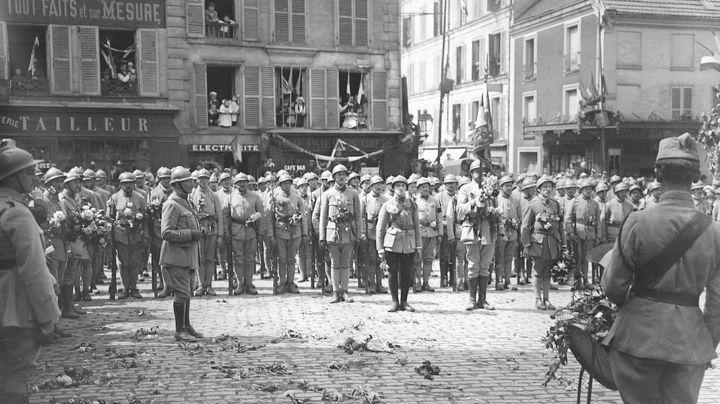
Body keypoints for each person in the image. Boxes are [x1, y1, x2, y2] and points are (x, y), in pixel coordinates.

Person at [602, 133, 720, 404]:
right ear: (695, 177)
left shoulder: (637, 222)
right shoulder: (715, 233)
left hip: (637, 338)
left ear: (658, 174)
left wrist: (629, 308)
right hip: (690, 343)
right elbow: (717, 305)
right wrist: (705, 344)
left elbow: (612, 286)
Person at [0, 139, 60, 403]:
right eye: (27, 172)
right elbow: (34, 270)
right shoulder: (18, 214)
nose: (33, 177)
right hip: (16, 307)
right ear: (12, 178)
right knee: (17, 374)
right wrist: (47, 316)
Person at [160, 167, 205, 342]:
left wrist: (197, 230)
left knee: (187, 293)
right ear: (177, 185)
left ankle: (186, 325)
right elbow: (166, 233)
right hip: (176, 256)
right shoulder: (171, 204)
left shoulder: (187, 202)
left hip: (188, 256)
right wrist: (191, 234)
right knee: (181, 293)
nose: (191, 184)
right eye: (187, 181)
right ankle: (179, 330)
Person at [456, 160, 498, 311]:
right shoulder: (465, 189)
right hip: (472, 228)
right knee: (473, 265)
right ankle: (472, 299)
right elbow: (459, 209)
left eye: (484, 172)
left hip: (487, 228)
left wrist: (492, 210)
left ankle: (483, 299)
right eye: (477, 171)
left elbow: (496, 208)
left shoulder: (492, 189)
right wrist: (474, 202)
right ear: (471, 173)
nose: (480, 175)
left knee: (485, 266)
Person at [376, 175, 421, 312]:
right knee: (392, 272)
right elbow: (380, 227)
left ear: (406, 188)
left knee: (406, 272)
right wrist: (380, 248)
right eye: (397, 186)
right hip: (393, 242)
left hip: (408, 242)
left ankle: (405, 301)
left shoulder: (412, 204)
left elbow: (417, 226)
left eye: (403, 186)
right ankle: (395, 301)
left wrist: (418, 246)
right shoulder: (387, 205)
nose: (400, 188)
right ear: (393, 188)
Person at [319, 164, 363, 303]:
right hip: (332, 233)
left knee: (346, 264)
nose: (342, 177)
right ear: (334, 177)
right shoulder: (327, 194)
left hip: (348, 233)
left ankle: (345, 291)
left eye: (344, 174)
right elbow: (323, 217)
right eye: (338, 175)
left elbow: (358, 216)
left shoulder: (353, 194)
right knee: (334, 263)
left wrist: (358, 235)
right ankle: (335, 292)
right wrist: (322, 236)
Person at [521, 175, 563, 310]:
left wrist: (563, 243)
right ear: (538, 189)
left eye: (550, 186)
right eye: (545, 187)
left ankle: (546, 299)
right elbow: (525, 227)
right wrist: (526, 245)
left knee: (547, 272)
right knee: (538, 271)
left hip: (551, 242)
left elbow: (559, 225)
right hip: (538, 242)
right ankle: (537, 299)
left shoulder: (555, 204)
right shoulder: (533, 204)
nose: (548, 189)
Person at [107, 172, 149, 299]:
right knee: (123, 262)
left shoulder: (140, 197)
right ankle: (125, 287)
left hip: (136, 234)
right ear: (120, 184)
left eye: (130, 183)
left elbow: (146, 218)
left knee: (135, 262)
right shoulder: (114, 198)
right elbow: (109, 218)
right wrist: (110, 235)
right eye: (125, 183)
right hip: (120, 234)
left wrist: (146, 235)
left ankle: (134, 287)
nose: (128, 186)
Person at [223, 173, 265, 295]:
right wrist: (226, 231)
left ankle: (249, 283)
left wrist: (261, 232)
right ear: (235, 184)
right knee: (238, 259)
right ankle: (239, 283)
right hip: (236, 232)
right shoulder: (230, 198)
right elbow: (225, 216)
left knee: (250, 259)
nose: (242, 184)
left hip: (251, 231)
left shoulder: (255, 197)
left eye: (244, 182)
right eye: (239, 182)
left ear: (248, 183)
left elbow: (261, 214)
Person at [269, 173, 306, 294]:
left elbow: (303, 216)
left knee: (291, 259)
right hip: (280, 231)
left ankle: (290, 282)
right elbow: (269, 216)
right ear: (280, 184)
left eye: (288, 182)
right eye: (284, 183)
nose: (286, 185)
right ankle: (281, 282)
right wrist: (270, 234)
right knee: (282, 259)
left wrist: (304, 233)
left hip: (295, 232)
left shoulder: (297, 197)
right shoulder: (274, 196)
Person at [189, 169, 224, 296]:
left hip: (211, 229)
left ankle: (209, 285)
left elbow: (219, 215)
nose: (203, 181)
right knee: (199, 258)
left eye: (205, 178)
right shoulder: (192, 194)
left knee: (210, 258)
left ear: (209, 180)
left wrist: (220, 235)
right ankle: (200, 285)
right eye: (200, 178)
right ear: (196, 180)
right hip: (198, 229)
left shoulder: (214, 195)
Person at [564, 178, 600, 287]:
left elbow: (598, 221)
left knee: (586, 258)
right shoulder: (574, 202)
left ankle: (585, 280)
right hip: (577, 233)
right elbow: (568, 219)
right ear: (581, 190)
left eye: (590, 189)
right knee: (577, 258)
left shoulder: (595, 204)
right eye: (586, 189)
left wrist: (598, 236)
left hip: (590, 233)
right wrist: (570, 232)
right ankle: (577, 280)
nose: (588, 191)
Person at [359, 175, 388, 294]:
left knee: (380, 259)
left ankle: (379, 283)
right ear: (371, 186)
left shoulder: (385, 200)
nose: (378, 187)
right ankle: (371, 283)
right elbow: (360, 217)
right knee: (370, 259)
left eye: (380, 184)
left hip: (382, 232)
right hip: (369, 230)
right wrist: (362, 233)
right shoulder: (365, 199)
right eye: (375, 184)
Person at [414, 177, 442, 292]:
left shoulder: (434, 200)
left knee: (429, 259)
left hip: (431, 233)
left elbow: (439, 217)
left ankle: (426, 282)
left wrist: (440, 233)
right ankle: (417, 282)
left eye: (427, 186)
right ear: (418, 188)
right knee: (417, 259)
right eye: (422, 187)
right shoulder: (414, 200)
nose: (425, 189)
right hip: (419, 234)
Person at [495, 175, 521, 291]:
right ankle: (499, 280)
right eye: (506, 186)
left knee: (509, 257)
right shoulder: (497, 200)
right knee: (499, 257)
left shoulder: (515, 200)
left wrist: (516, 223)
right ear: (501, 187)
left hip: (512, 232)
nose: (509, 188)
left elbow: (519, 216)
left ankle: (508, 281)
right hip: (501, 232)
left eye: (510, 186)